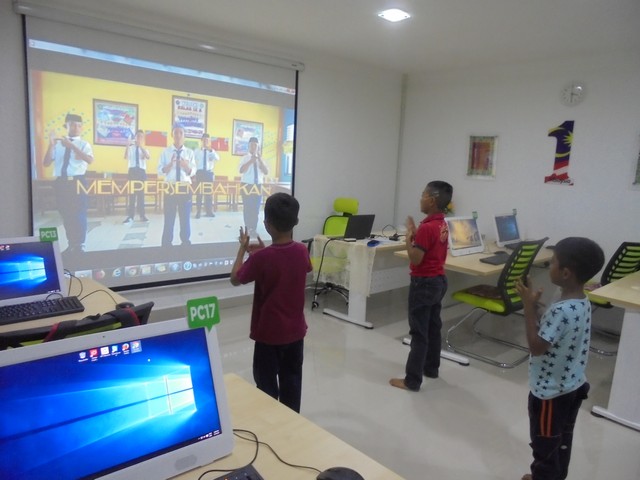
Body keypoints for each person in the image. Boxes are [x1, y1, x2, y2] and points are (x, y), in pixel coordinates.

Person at [516, 237, 604, 480]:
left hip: (550, 394)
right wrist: (536, 308)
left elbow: (536, 347)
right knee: (562, 440)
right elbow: (555, 330)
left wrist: (527, 308)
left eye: (553, 262)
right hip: (572, 386)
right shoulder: (581, 301)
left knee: (544, 445)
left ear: (565, 273)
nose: (550, 265)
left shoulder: (560, 310)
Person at [229, 192, 312, 412]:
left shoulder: (261, 258)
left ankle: (272, 423)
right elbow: (292, 264)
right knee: (292, 383)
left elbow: (235, 278)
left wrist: (242, 249)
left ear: (266, 224)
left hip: (268, 336)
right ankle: (291, 422)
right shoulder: (302, 251)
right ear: (295, 221)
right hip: (296, 333)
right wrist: (264, 252)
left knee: (266, 387)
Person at [390, 180, 453, 392]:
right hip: (438, 281)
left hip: (423, 283)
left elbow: (416, 258)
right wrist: (416, 233)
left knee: (419, 333)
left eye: (423, 195)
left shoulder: (427, 227)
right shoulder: (441, 223)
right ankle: (431, 369)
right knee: (433, 328)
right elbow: (431, 244)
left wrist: (408, 240)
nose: (420, 198)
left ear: (432, 200)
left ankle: (412, 380)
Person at [42, 113, 94, 255]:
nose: (76, 128)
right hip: (61, 182)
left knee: (79, 213)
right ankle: (72, 244)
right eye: (72, 125)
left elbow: (89, 160)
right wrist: (51, 145)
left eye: (79, 125)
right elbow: (46, 163)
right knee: (66, 214)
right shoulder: (58, 144)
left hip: (77, 181)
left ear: (81, 128)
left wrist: (72, 146)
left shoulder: (84, 144)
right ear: (67, 126)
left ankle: (80, 245)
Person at [157, 124, 196, 247]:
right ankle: (166, 244)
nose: (178, 135)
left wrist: (185, 165)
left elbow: (193, 171)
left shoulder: (189, 152)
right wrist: (170, 164)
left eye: (181, 133)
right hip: (170, 187)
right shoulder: (166, 152)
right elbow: (160, 171)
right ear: (172, 135)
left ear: (184, 136)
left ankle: (185, 243)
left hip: (185, 188)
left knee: (185, 218)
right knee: (169, 218)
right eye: (176, 132)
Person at [238, 136, 268, 236]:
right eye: (252, 145)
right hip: (246, 185)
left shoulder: (261, 159)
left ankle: (253, 229)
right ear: (248, 146)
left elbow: (266, 172)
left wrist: (259, 160)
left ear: (258, 146)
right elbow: (241, 170)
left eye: (255, 145)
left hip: (258, 186)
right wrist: (251, 161)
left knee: (255, 209)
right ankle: (248, 229)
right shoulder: (244, 158)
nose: (253, 147)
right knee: (247, 208)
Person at [123, 129, 150, 223]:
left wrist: (140, 147)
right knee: (132, 195)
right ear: (135, 137)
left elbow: (147, 157)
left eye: (141, 137)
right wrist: (127, 146)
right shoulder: (131, 148)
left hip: (141, 172)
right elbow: (126, 157)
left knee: (141, 195)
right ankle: (130, 216)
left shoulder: (145, 149)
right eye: (138, 136)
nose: (139, 138)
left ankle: (142, 215)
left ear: (143, 138)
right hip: (132, 172)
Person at [193, 133, 220, 219]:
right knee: (199, 193)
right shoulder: (197, 151)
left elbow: (217, 158)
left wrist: (211, 150)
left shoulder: (212, 151)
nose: (205, 142)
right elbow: (192, 162)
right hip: (200, 173)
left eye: (207, 140)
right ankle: (198, 212)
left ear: (209, 141)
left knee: (209, 194)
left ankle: (209, 211)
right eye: (204, 140)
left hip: (208, 173)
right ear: (201, 141)